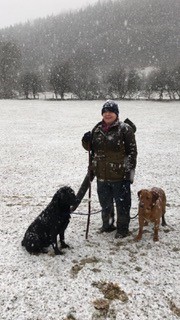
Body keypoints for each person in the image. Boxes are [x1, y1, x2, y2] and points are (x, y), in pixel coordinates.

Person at [82, 100, 137, 238]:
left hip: (120, 175)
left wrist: (128, 173)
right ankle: (107, 225)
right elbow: (90, 148)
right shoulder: (97, 129)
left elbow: (132, 153)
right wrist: (85, 141)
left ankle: (122, 229)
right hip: (102, 174)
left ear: (116, 114)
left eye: (111, 112)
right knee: (105, 203)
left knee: (122, 204)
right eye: (105, 112)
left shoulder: (125, 129)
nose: (107, 114)